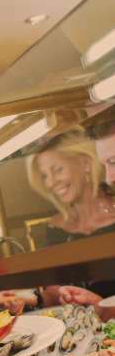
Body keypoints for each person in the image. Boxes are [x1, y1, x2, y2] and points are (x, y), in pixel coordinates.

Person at [27, 129, 115, 308]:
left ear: (85, 164)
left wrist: (102, 307)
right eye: (45, 176)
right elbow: (54, 291)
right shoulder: (55, 227)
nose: (51, 183)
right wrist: (28, 299)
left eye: (57, 170)